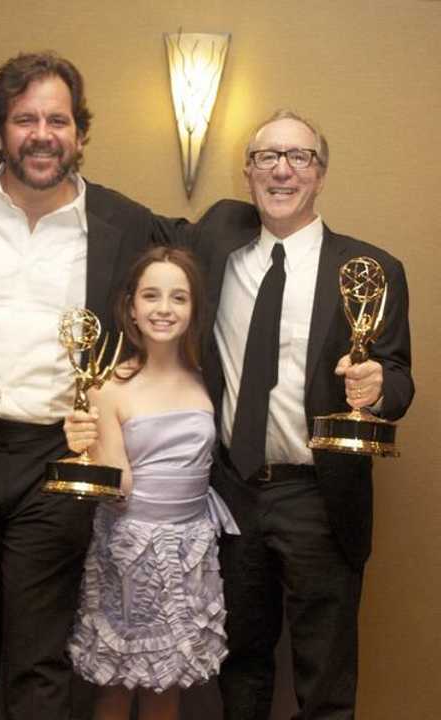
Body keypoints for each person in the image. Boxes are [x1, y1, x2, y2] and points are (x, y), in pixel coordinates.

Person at [0, 52, 157, 720]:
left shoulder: (123, 223)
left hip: (57, 460)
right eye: (25, 119)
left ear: (80, 132)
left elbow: (194, 277)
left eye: (58, 119)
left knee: (39, 645)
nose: (42, 134)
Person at [173, 110, 414, 719]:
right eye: (267, 157)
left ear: (322, 173)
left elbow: (399, 376)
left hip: (319, 494)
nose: (282, 170)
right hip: (231, 491)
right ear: (248, 172)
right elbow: (134, 227)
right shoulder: (217, 244)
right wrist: (26, 174)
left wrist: (378, 386)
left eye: (299, 157)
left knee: (325, 672)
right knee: (242, 666)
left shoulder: (369, 269)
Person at [63, 246, 239, 720]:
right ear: (132, 307)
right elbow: (118, 487)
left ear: (194, 308)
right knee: (118, 684)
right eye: (152, 296)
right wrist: (85, 447)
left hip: (192, 549)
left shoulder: (208, 381)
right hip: (130, 550)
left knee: (168, 684)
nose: (164, 308)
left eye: (178, 297)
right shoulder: (108, 386)